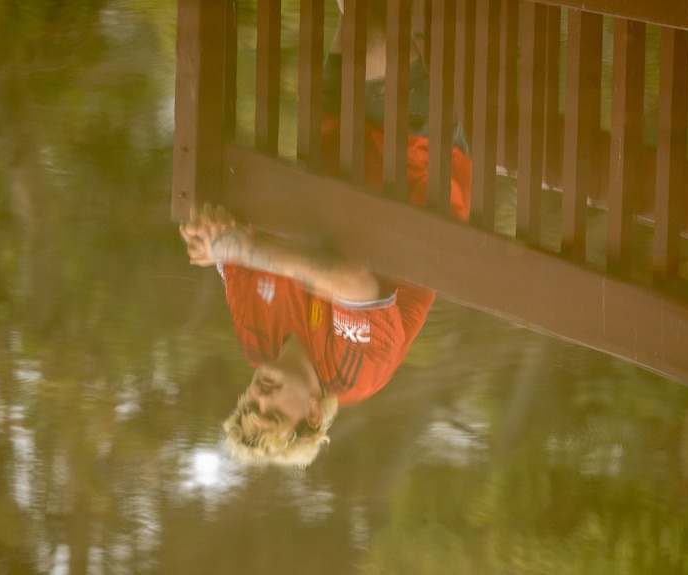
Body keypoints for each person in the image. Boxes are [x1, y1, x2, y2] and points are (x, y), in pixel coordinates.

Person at [179, 2, 471, 467]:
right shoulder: (355, 373)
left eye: (248, 406)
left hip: (337, 167)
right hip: (417, 182)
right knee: (372, 36)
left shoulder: (254, 339)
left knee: (362, 21)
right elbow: (352, 279)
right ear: (312, 414)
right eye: (272, 415)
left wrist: (205, 230)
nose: (259, 398)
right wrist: (250, 249)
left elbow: (228, 244)